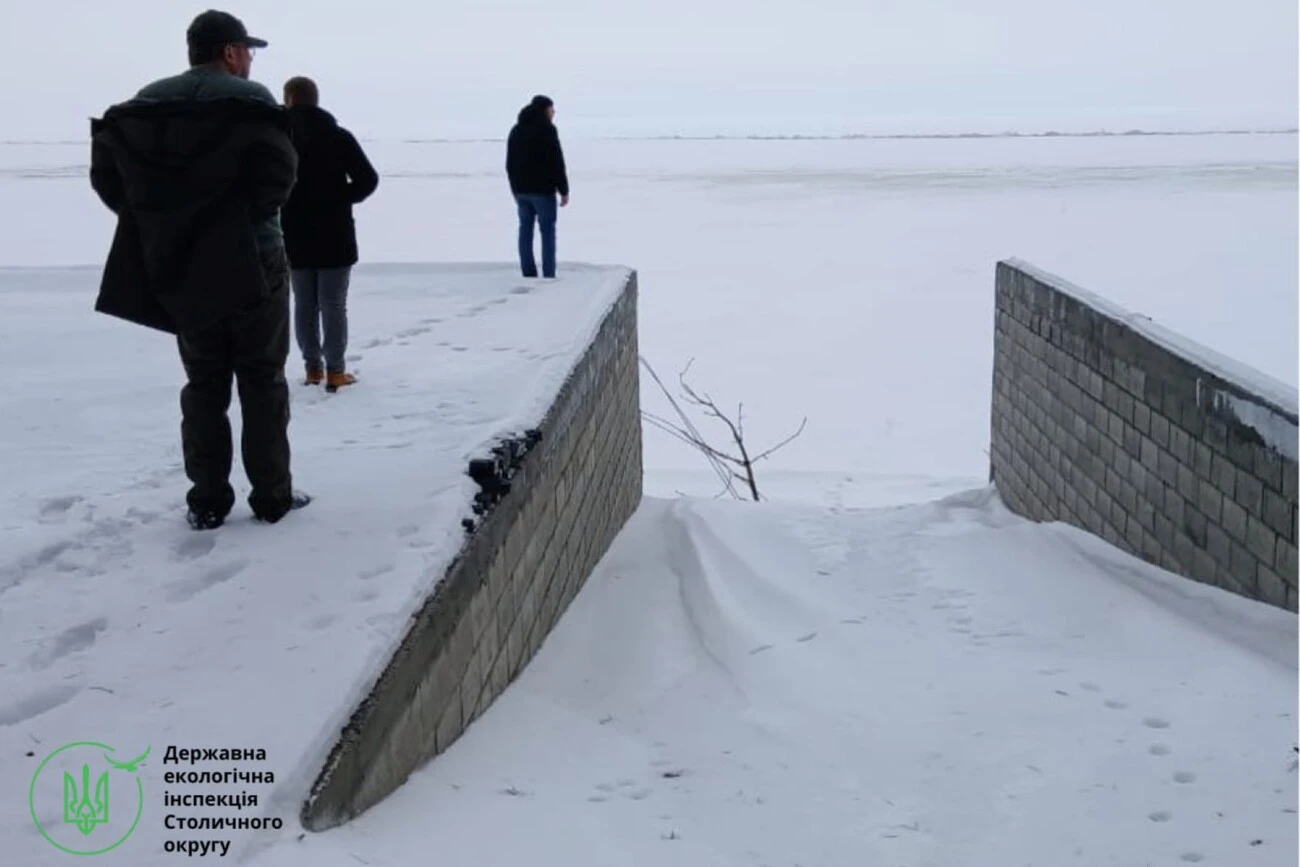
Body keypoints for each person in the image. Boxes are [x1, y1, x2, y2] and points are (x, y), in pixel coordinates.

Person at [88, 9, 311, 531]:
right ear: (229, 53)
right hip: (255, 257)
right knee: (262, 379)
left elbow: (108, 175)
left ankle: (208, 500)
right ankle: (271, 495)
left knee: (204, 381)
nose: (251, 61)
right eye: (247, 51)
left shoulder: (146, 104)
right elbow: (280, 174)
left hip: (182, 259)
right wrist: (239, 217)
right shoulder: (250, 102)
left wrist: (163, 221)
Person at [280, 75, 379, 391]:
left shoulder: (279, 138)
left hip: (293, 232)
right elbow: (368, 179)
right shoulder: (338, 137)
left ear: (289, 100)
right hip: (335, 231)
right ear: (316, 100)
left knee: (304, 303)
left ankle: (312, 369)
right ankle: (336, 371)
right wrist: (340, 197)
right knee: (333, 303)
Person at [506, 95, 570, 279]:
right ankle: (549, 274)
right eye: (551, 110)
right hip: (543, 192)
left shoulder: (516, 131)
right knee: (547, 232)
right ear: (544, 110)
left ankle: (529, 273)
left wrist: (515, 190)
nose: (554, 113)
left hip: (522, 192)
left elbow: (510, 164)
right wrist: (563, 190)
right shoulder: (547, 130)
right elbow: (556, 161)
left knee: (525, 231)